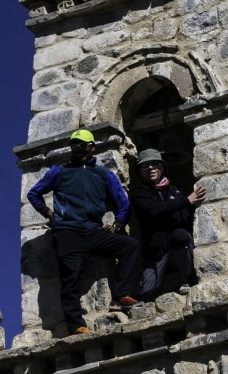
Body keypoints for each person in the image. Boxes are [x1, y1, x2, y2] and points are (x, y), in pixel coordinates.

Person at [27, 129, 142, 334]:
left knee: (130, 245)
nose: (76, 149)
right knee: (70, 277)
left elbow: (123, 203)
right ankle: (76, 324)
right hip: (68, 232)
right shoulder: (59, 171)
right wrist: (48, 213)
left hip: (94, 231)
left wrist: (117, 224)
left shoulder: (104, 174)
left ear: (91, 148)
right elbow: (34, 193)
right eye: (73, 145)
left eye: (81, 145)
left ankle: (122, 294)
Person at [128, 147, 203, 299]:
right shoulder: (138, 194)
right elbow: (152, 210)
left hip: (178, 244)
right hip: (156, 250)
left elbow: (185, 216)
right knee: (147, 296)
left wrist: (189, 206)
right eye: (145, 166)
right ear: (140, 172)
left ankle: (187, 279)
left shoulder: (174, 191)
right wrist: (186, 201)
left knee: (182, 235)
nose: (150, 168)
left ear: (161, 167)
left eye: (155, 164)